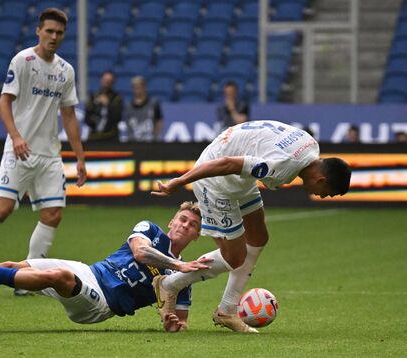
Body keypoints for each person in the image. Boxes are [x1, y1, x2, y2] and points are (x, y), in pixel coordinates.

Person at [150, 120, 351, 333]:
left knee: (258, 237)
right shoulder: (282, 168)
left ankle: (226, 310)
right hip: (216, 181)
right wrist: (180, 182)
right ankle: (169, 285)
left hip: (238, 176)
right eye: (328, 193)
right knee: (234, 256)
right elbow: (226, 163)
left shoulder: (310, 145)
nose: (323, 196)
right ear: (321, 179)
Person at [0, 202, 210, 332]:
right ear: (172, 222)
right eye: (182, 219)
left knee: (58, 277)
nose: (186, 225)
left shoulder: (184, 278)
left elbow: (176, 317)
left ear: (196, 235)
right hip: (90, 271)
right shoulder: (152, 231)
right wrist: (178, 264)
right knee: (13, 266)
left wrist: (172, 323)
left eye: (193, 225)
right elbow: (141, 253)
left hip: (101, 304)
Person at [0, 8, 86, 297]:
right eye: (49, 31)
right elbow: (3, 103)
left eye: (59, 33)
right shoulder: (23, 60)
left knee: (53, 214)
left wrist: (80, 157)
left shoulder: (66, 70)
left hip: (49, 155)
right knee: (3, 208)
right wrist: (16, 137)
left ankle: (27, 280)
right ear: (39, 31)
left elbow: (70, 116)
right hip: (19, 150)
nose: (54, 37)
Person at [84, 71, 123, 141]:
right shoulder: (94, 96)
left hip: (111, 137)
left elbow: (118, 117)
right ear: (101, 80)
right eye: (105, 80)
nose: (106, 83)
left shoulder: (117, 98)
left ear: (113, 82)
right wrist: (93, 118)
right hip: (94, 137)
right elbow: (87, 118)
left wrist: (108, 104)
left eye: (109, 81)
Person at [123, 76, 163, 142]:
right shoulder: (128, 107)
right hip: (133, 141)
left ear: (144, 87)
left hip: (150, 141)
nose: (137, 90)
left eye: (139, 88)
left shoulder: (153, 104)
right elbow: (127, 123)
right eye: (135, 88)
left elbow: (158, 121)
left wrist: (156, 136)